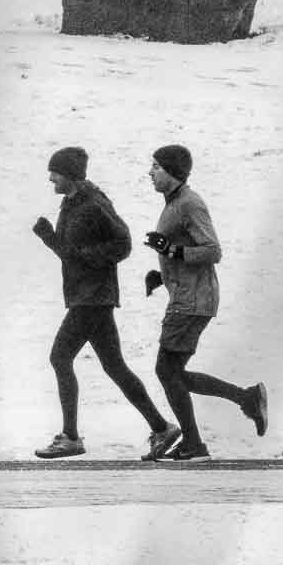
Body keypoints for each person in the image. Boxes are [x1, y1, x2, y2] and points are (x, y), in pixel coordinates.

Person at [30, 146, 179, 460]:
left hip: (93, 299)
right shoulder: (70, 203)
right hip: (87, 297)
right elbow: (71, 255)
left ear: (69, 174)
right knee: (115, 367)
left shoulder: (94, 203)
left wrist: (90, 260)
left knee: (60, 358)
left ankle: (71, 437)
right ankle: (161, 427)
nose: (50, 178)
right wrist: (49, 239)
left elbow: (123, 243)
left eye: (54, 172)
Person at [141, 143, 267, 461]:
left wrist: (171, 252)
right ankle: (246, 399)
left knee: (167, 371)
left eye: (156, 166)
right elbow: (183, 249)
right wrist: (162, 275)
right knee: (173, 374)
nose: (150, 172)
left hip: (193, 301)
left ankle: (196, 444)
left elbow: (213, 250)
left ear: (173, 171)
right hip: (186, 296)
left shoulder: (190, 204)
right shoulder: (173, 204)